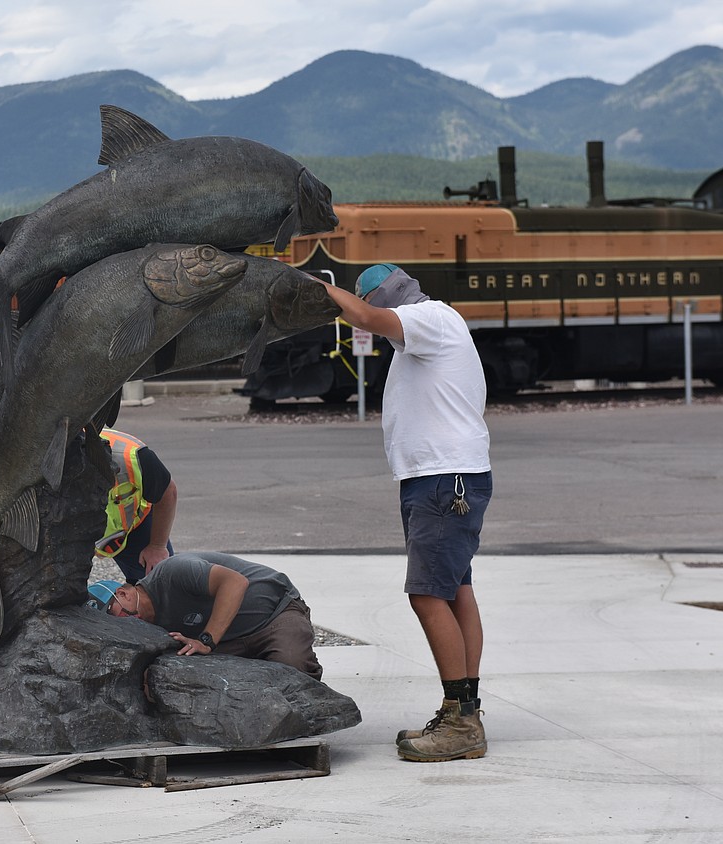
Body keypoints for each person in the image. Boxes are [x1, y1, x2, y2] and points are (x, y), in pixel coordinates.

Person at [323, 263, 492, 763]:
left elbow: (369, 319)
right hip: (443, 478)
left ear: (388, 299)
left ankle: (462, 723)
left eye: (371, 303)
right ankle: (463, 708)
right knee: (455, 590)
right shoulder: (429, 328)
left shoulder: (430, 316)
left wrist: (318, 288)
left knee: (426, 594)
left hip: (445, 479)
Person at [101, 550, 323, 680]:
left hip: (275, 613)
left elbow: (235, 582)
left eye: (114, 613)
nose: (120, 623)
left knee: (290, 670)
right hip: (229, 640)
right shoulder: (149, 627)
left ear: (123, 593)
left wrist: (207, 640)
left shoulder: (171, 572)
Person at [94, 428, 177, 583]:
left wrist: (157, 546)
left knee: (159, 582)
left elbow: (168, 492)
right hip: (71, 533)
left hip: (132, 526)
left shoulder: (132, 456)